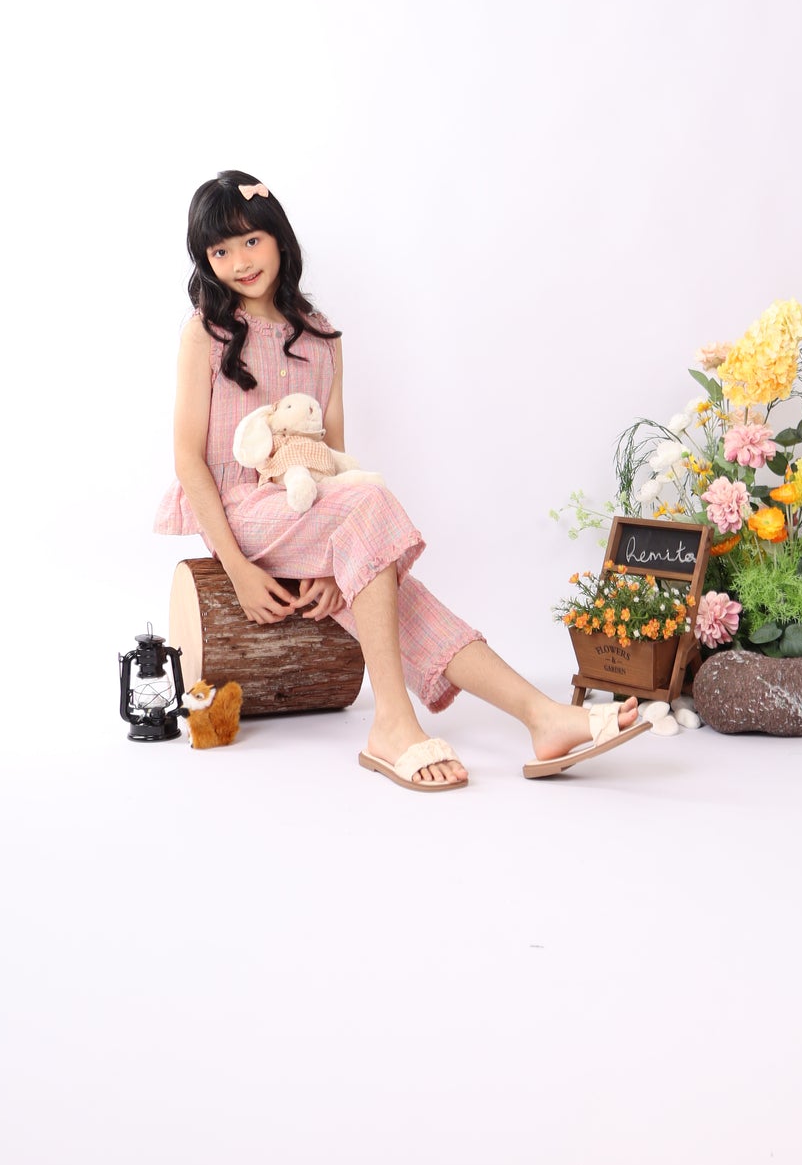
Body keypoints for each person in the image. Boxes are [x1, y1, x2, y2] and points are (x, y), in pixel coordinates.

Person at [154, 169, 649, 791]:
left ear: (279, 237)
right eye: (220, 252)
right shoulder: (205, 332)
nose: (239, 262)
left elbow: (333, 455)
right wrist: (235, 566)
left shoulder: (322, 336)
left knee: (397, 583)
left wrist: (333, 564)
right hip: (238, 509)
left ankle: (542, 716)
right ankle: (392, 721)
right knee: (370, 501)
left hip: (313, 507)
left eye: (251, 241)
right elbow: (188, 460)